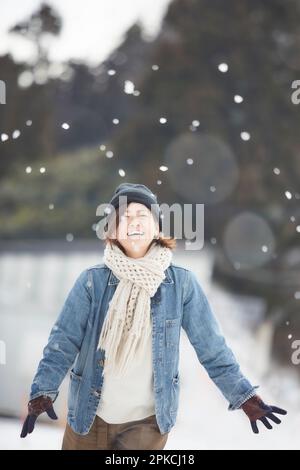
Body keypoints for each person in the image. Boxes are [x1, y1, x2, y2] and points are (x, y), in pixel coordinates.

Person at [20, 183, 287, 449]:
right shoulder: (92, 282)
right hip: (88, 417)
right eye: (124, 217)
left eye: (142, 216)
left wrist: (243, 395)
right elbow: (63, 342)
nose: (133, 222)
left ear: (156, 227)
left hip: (147, 423)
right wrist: (43, 389)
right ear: (112, 230)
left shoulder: (181, 284)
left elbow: (212, 348)